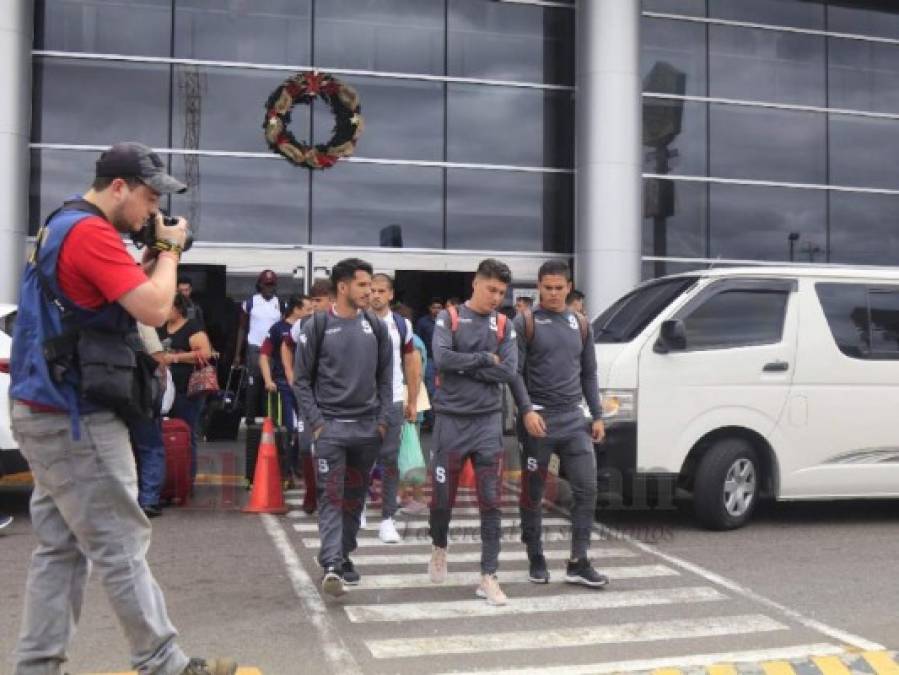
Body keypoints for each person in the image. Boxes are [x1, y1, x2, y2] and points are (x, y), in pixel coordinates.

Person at [8, 141, 236, 674]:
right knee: (121, 539)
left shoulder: (64, 224)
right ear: (118, 188)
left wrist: (151, 256)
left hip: (48, 409)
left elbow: (110, 294)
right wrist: (172, 252)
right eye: (149, 198)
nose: (154, 212)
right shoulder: (89, 233)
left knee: (61, 548)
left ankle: (37, 666)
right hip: (74, 417)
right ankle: (163, 662)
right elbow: (155, 307)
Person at [293, 258, 392, 598]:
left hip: (367, 430)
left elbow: (385, 379)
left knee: (355, 498)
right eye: (363, 285)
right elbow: (301, 381)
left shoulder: (376, 327)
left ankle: (343, 554)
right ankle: (332, 563)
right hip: (331, 429)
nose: (370, 292)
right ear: (343, 287)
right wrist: (318, 424)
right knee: (332, 496)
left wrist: (381, 422)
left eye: (372, 286)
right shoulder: (317, 326)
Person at [510, 260, 608, 588]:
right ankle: (535, 554)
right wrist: (526, 411)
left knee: (587, 488)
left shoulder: (581, 324)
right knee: (534, 491)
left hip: (573, 420)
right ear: (539, 287)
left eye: (559, 288)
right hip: (538, 420)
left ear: (568, 287)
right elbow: (514, 373)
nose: (553, 294)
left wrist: (597, 415)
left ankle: (578, 561)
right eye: (547, 288)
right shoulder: (524, 322)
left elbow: (589, 374)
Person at [428, 259, 517, 606]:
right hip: (451, 421)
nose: (496, 297)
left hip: (486, 423)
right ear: (476, 284)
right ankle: (439, 545)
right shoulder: (448, 317)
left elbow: (508, 371)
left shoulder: (504, 324)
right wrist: (483, 360)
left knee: (491, 502)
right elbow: (442, 358)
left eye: (501, 292)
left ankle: (488, 575)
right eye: (491, 289)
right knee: (441, 499)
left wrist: (467, 365)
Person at [369, 274, 420, 543]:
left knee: (389, 460)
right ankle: (358, 511)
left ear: (390, 295)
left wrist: (412, 401)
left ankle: (387, 518)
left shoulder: (402, 325)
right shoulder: (356, 320)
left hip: (392, 401)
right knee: (359, 459)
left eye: (381, 291)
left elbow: (411, 364)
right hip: (361, 402)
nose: (375, 295)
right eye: (371, 290)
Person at [283, 280, 332, 513]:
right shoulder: (302, 324)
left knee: (332, 448)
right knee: (305, 446)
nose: (313, 305)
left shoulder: (344, 323)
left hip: (335, 398)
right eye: (311, 300)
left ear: (332, 300)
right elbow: (286, 346)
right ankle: (311, 492)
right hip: (307, 396)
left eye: (318, 300)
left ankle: (330, 494)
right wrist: (290, 374)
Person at [158, 294, 215, 485]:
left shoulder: (192, 327)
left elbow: (206, 353)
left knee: (187, 432)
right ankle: (169, 474)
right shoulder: (160, 328)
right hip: (165, 389)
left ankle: (187, 478)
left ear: (178, 308)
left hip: (187, 388)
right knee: (165, 432)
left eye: (168, 307)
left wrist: (175, 358)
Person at [259, 295, 312, 485]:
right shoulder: (277, 329)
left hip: (306, 386)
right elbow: (264, 355)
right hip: (283, 385)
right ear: (296, 309)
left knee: (306, 429)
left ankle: (299, 467)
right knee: (290, 428)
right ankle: (287, 470)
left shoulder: (311, 327)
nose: (311, 313)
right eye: (308, 309)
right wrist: (268, 380)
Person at [129, 322, 168, 518]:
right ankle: (148, 500)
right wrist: (158, 392)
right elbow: (158, 358)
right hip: (139, 395)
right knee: (150, 447)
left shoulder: (94, 316)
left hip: (104, 395)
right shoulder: (140, 320)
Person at [233, 270, 282, 426]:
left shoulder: (280, 303)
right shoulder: (250, 303)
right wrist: (237, 354)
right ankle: (249, 420)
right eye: (266, 284)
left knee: (272, 384)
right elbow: (241, 327)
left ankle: (272, 419)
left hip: (273, 351)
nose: (269, 287)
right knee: (253, 385)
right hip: (255, 348)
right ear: (260, 285)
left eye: (272, 284)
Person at [415, 298, 442, 430]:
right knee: (430, 390)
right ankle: (432, 422)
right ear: (429, 308)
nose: (436, 310)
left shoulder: (444, 321)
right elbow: (417, 341)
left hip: (444, 360)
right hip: (430, 359)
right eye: (434, 307)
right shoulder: (422, 322)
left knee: (444, 391)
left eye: (439, 307)